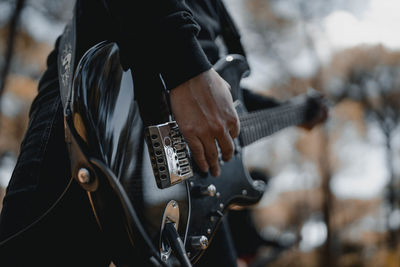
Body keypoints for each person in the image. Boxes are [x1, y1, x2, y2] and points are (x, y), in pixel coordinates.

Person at [0, 0, 327, 266]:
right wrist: (184, 63)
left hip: (196, 186)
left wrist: (294, 110)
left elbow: (224, 93)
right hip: (111, 94)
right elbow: (196, 72)